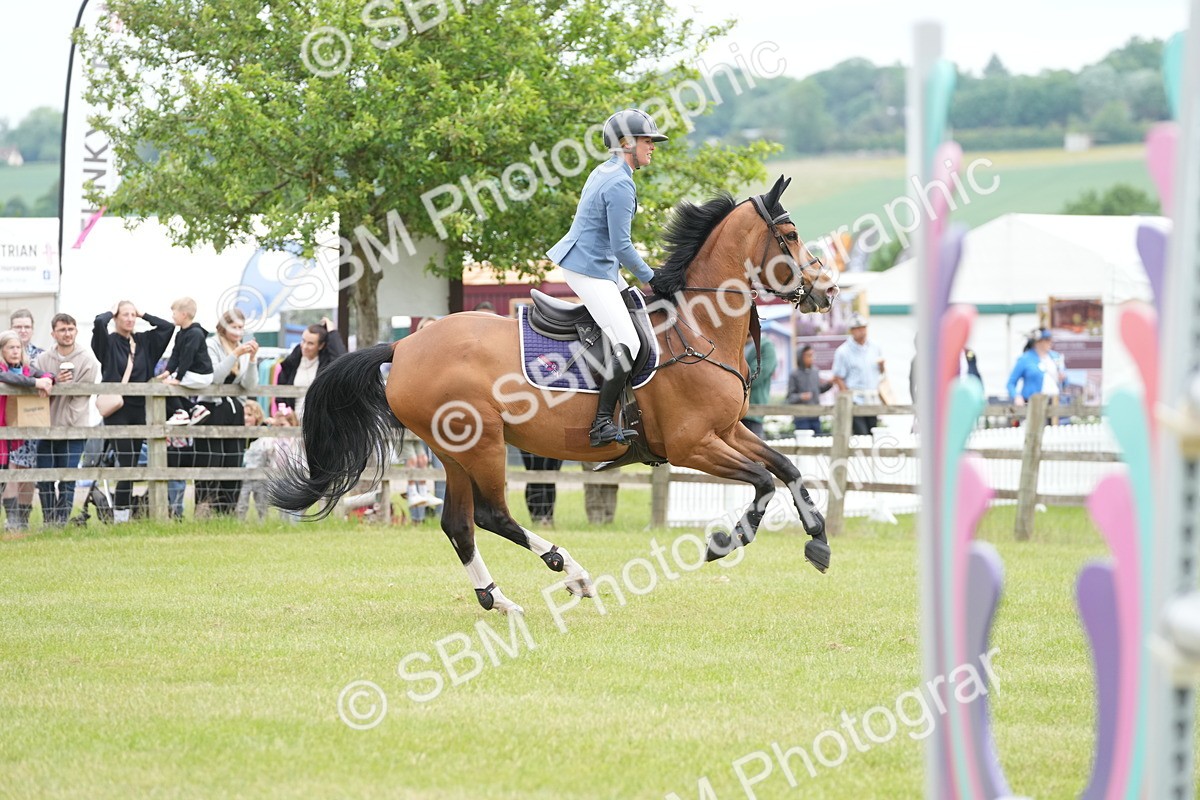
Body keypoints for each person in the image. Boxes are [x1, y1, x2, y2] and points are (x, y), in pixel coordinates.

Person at [546, 108, 665, 447]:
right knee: (629, 341)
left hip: (599, 265)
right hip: (589, 269)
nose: (652, 147)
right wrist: (650, 277)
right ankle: (600, 423)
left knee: (637, 318)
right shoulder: (619, 184)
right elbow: (622, 245)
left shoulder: (609, 170)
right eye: (647, 141)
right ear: (627, 143)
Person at [91, 301, 174, 523]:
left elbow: (167, 327)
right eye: (124, 315)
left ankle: (124, 514)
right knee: (125, 461)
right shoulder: (108, 343)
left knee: (134, 461)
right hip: (117, 409)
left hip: (139, 409)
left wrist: (143, 313)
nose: (129, 318)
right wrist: (111, 310)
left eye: (132, 315)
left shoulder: (144, 342)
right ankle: (120, 516)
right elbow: (99, 322)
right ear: (116, 318)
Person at [33, 314, 100, 526]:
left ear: (76, 331)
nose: (67, 333)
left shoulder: (87, 360)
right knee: (45, 477)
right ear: (53, 333)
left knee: (68, 477)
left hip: (75, 427)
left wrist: (57, 387)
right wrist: (52, 380)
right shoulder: (43, 360)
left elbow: (81, 394)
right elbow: (33, 386)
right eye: (62, 330)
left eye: (71, 329)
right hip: (47, 426)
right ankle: (49, 520)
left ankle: (62, 521)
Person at [193, 308, 259, 517]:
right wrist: (235, 355)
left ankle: (227, 513)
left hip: (234, 411)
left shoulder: (242, 348)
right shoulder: (211, 345)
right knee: (211, 460)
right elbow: (216, 377)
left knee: (233, 459)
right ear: (224, 326)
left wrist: (252, 360)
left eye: (241, 327)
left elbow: (249, 385)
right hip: (213, 409)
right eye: (234, 327)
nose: (239, 332)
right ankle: (204, 510)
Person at [0, 330, 53, 530]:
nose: (15, 351)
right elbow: (7, 379)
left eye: (17, 348)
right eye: (10, 348)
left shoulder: (24, 369)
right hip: (1, 427)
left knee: (6, 473)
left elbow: (47, 374)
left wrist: (47, 380)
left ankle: (14, 522)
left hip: (12, 430)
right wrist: (35, 382)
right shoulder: (3, 369)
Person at [276, 317, 346, 419]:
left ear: (321, 345)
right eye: (303, 341)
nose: (304, 346)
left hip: (318, 422)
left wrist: (332, 333)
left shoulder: (326, 363)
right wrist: (285, 413)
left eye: (310, 343)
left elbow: (341, 362)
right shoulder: (292, 361)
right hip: (293, 423)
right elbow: (280, 393)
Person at [160, 297, 214, 425]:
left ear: (183, 315)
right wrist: (168, 371)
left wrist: (177, 378)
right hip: (192, 374)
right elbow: (175, 355)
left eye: (174, 313)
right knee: (165, 382)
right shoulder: (181, 334)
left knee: (166, 385)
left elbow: (187, 358)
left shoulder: (195, 333)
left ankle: (180, 412)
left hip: (201, 374)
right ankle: (194, 408)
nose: (172, 317)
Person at [832, 312, 885, 436]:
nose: (862, 331)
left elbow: (880, 373)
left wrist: (882, 366)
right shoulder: (843, 351)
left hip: (872, 399)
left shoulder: (875, 347)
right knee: (861, 435)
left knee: (873, 433)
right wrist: (847, 398)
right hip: (856, 399)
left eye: (864, 327)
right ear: (852, 331)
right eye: (858, 328)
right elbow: (838, 377)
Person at [1006, 328, 1065, 411]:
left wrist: (1064, 378)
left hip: (1055, 402)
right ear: (1037, 342)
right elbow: (1011, 383)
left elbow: (1064, 382)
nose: (1050, 342)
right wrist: (1016, 397)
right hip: (1033, 404)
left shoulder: (1056, 357)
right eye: (1047, 340)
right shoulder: (1025, 359)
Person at [236, 400, 272, 521]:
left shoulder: (262, 434)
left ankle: (264, 524)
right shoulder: (237, 432)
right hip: (243, 476)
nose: (246, 418)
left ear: (257, 416)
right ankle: (239, 523)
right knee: (241, 504)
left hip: (260, 475)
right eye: (244, 415)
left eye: (250, 415)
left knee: (262, 504)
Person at [788, 345, 832, 436]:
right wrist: (801, 396)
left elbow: (818, 390)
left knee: (817, 443)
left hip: (815, 415)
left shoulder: (815, 372)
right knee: (804, 445)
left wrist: (829, 384)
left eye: (812, 355)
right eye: (808, 355)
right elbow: (790, 397)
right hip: (801, 417)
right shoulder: (794, 375)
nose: (811, 358)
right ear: (801, 356)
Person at [741, 331, 777, 439]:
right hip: (733, 412)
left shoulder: (766, 346)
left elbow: (756, 375)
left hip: (753, 411)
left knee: (753, 452)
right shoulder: (737, 344)